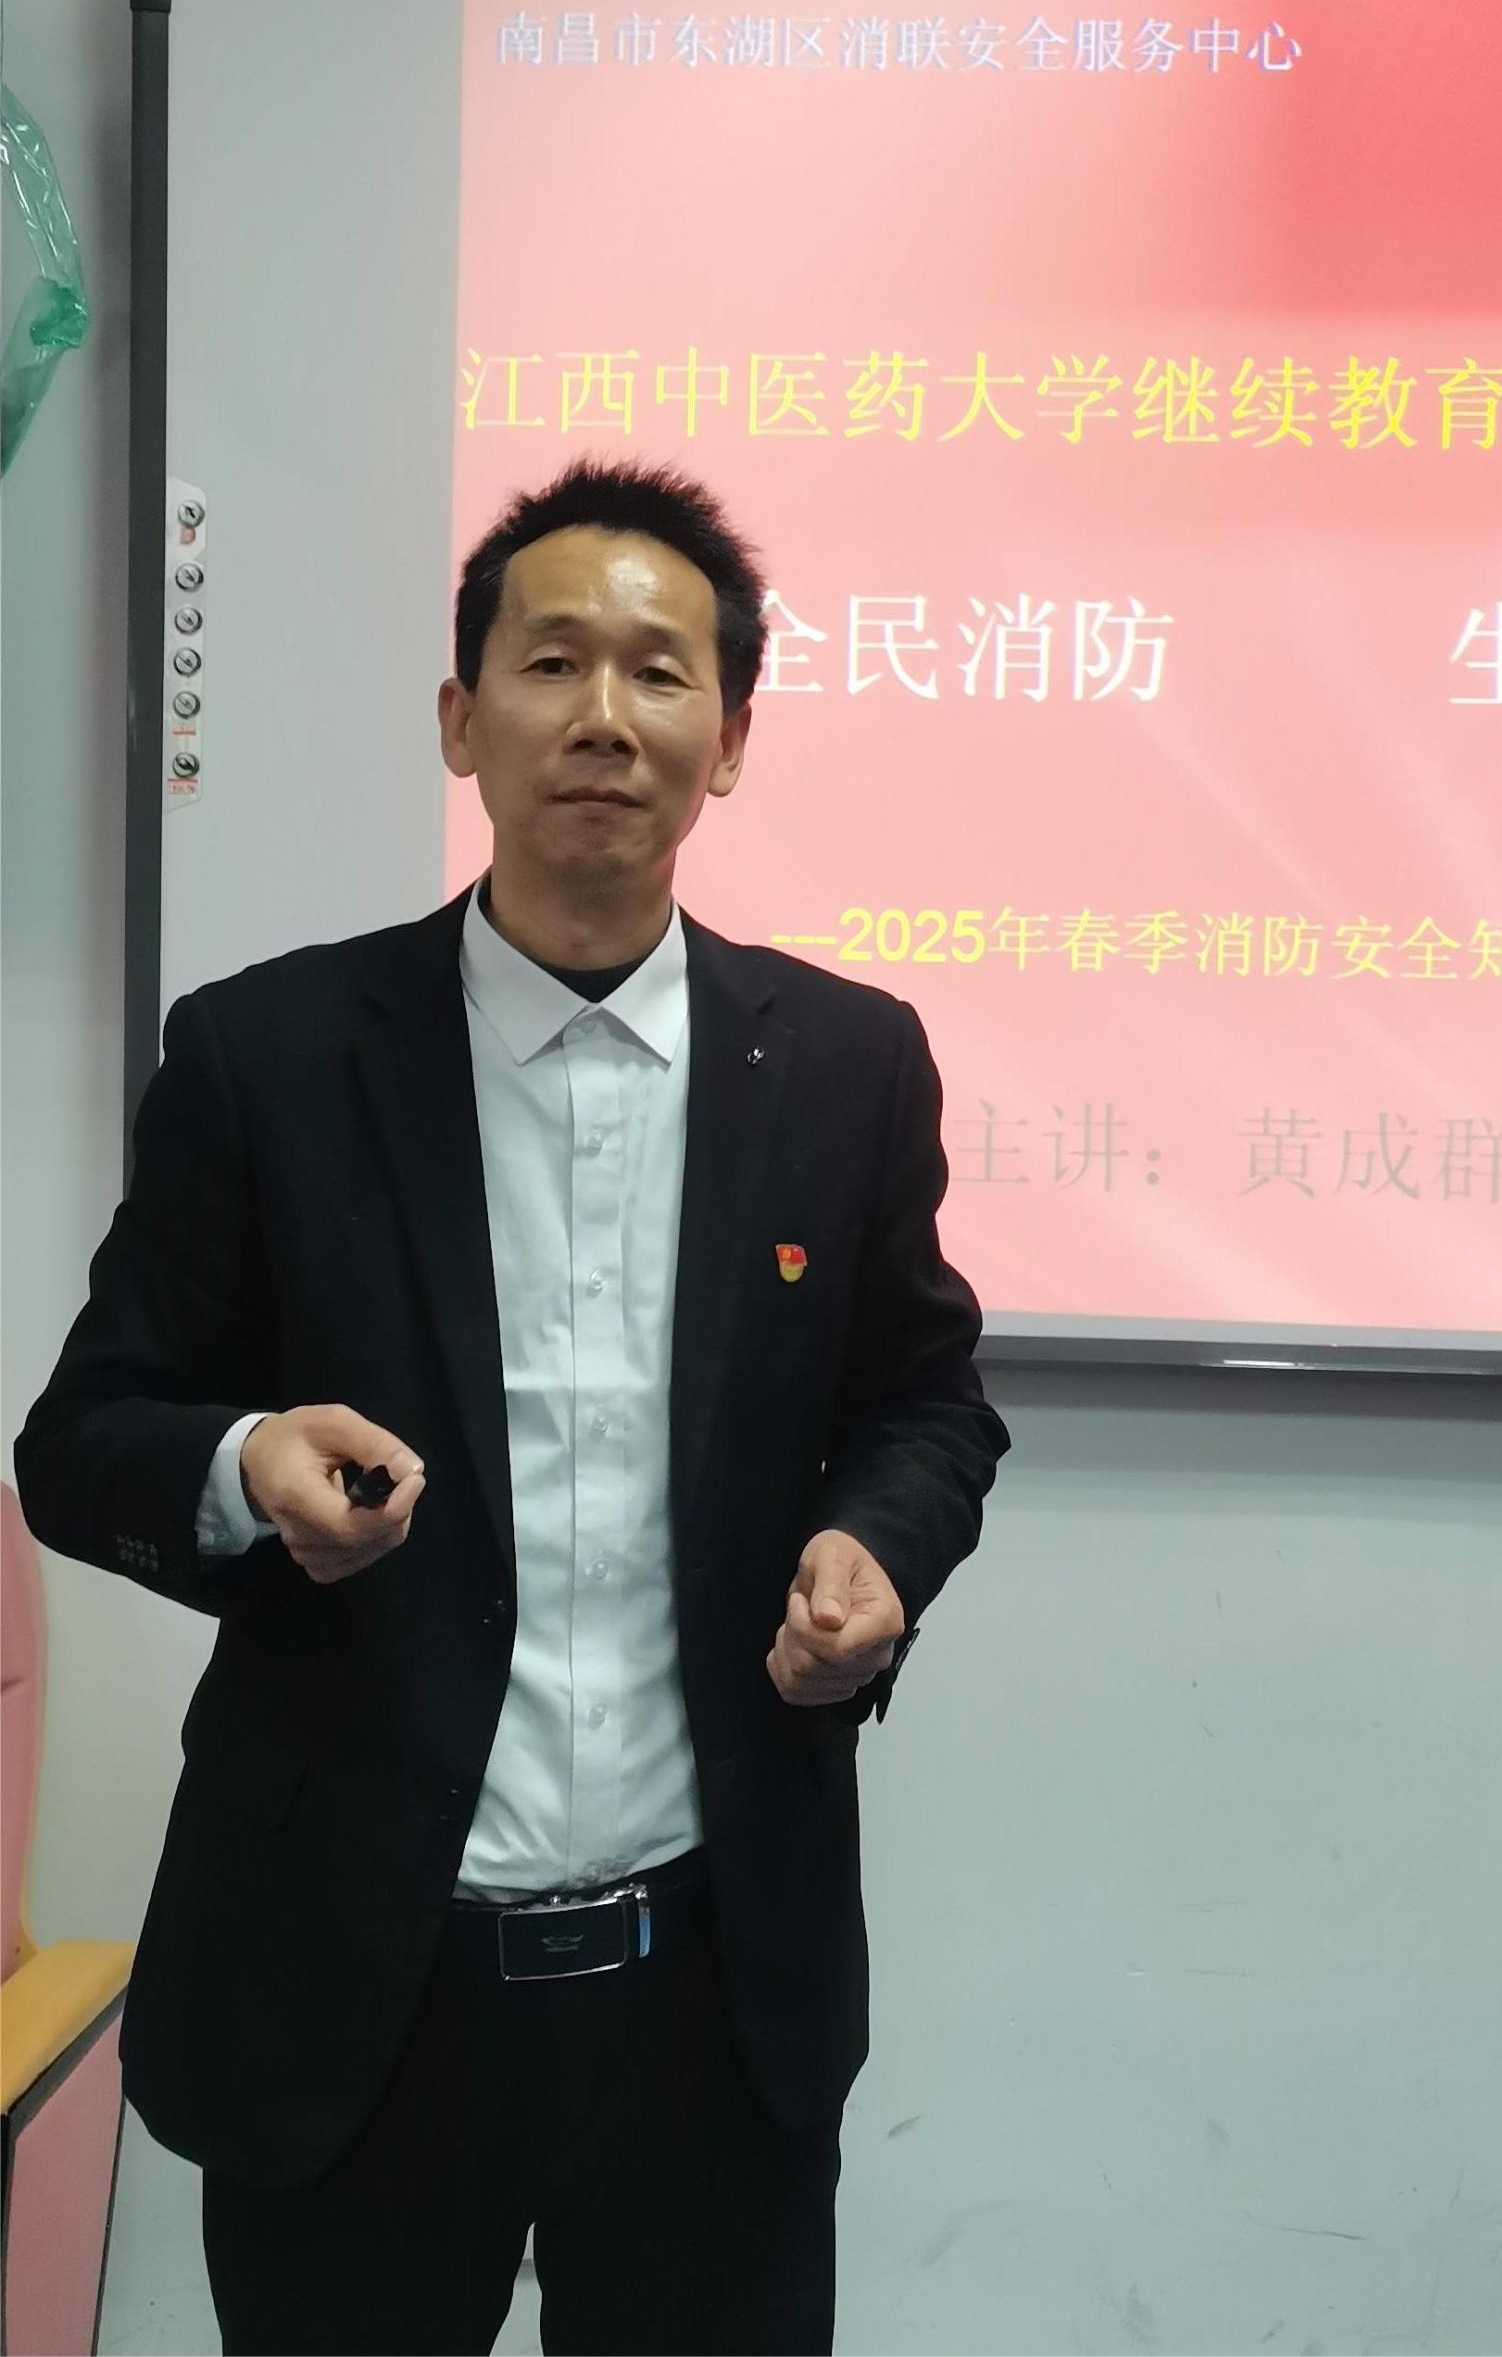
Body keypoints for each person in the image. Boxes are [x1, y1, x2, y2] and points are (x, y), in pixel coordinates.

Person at [12, 459, 1009, 2356]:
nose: (605, 717)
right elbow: (80, 1438)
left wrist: (876, 1546)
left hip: (711, 1990)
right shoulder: (268, 1055)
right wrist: (241, 1465)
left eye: (661, 671)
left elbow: (927, 1404)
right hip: (352, 1995)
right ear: (462, 719)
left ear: (730, 743)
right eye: (553, 662)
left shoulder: (847, 1065)